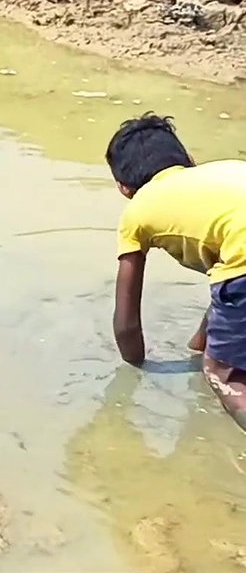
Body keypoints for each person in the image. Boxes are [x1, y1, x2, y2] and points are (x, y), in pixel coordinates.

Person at [107, 113, 246, 429]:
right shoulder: (226, 170)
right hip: (238, 265)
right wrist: (199, 343)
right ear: (191, 161)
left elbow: (127, 323)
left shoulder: (137, 213)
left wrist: (134, 367)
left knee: (223, 373)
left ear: (124, 189)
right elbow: (226, 291)